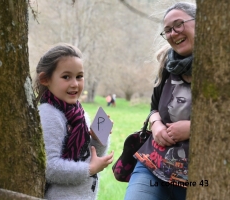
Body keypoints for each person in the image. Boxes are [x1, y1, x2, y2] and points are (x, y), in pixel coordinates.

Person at [124, 2, 195, 200]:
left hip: (199, 177)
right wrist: (155, 124)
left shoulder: (221, 63)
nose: (173, 33)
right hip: (153, 165)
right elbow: (154, 107)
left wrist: (194, 128)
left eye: (179, 24)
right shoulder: (167, 61)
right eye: (168, 30)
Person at [34, 43, 114, 200]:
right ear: (45, 79)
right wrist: (89, 169)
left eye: (79, 76)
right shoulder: (50, 114)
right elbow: (50, 168)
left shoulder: (78, 112)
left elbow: (89, 155)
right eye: (66, 77)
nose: (75, 84)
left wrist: (99, 139)